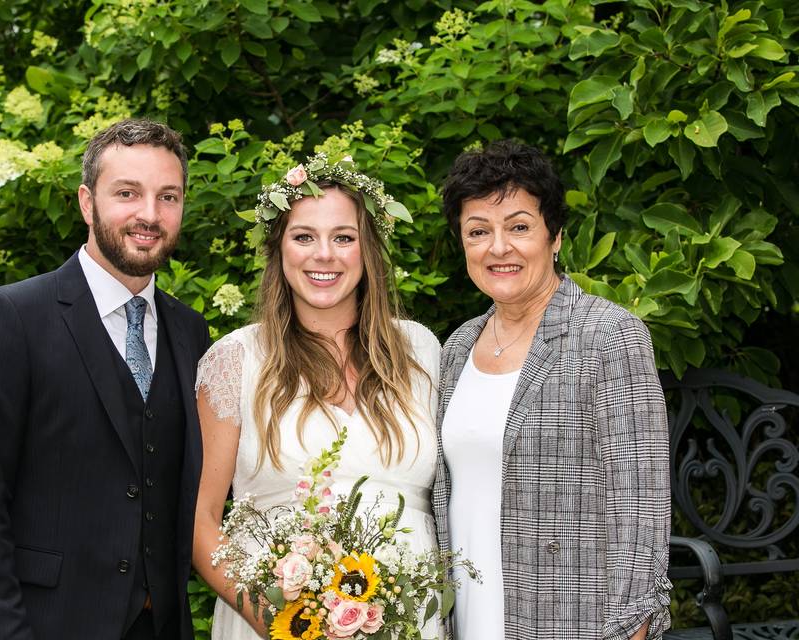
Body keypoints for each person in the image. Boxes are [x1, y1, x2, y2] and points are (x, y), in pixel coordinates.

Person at [0, 118, 209, 640]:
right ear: (87, 203)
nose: (149, 215)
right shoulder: (9, 317)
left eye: (168, 196)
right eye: (127, 193)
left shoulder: (190, 331)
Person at [191, 154, 442, 639]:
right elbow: (200, 520)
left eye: (343, 238)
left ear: (368, 251)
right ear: (278, 249)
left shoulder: (421, 351)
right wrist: (277, 622)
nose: (323, 254)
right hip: (276, 624)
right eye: (303, 236)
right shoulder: (236, 359)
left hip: (410, 623)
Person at [432, 140, 672, 640]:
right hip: (467, 617)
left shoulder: (607, 335)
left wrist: (632, 628)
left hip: (571, 618)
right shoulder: (457, 346)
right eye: (479, 231)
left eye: (519, 227)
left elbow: (641, 506)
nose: (499, 248)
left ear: (555, 235)